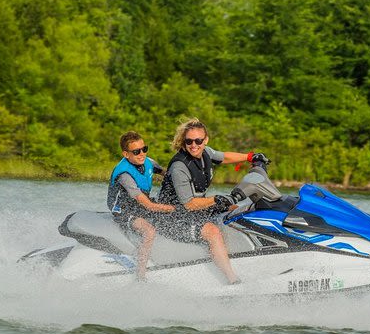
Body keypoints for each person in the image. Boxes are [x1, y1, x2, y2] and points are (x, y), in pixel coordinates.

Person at [157, 118, 269, 285]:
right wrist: (216, 199)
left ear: (205, 140)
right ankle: (232, 280)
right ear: (184, 142)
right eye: (189, 141)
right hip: (172, 218)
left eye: (198, 141)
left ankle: (250, 255)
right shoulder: (179, 166)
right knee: (212, 231)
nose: (193, 145)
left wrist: (250, 157)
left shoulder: (206, 152)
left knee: (235, 209)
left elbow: (224, 157)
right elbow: (188, 204)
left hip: (193, 210)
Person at [108, 131, 175, 281]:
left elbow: (167, 174)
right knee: (149, 231)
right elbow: (147, 204)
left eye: (144, 149)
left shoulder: (148, 162)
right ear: (126, 154)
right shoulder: (124, 175)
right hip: (123, 209)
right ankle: (140, 275)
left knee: (169, 217)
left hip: (139, 204)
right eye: (136, 151)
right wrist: (173, 208)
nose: (142, 154)